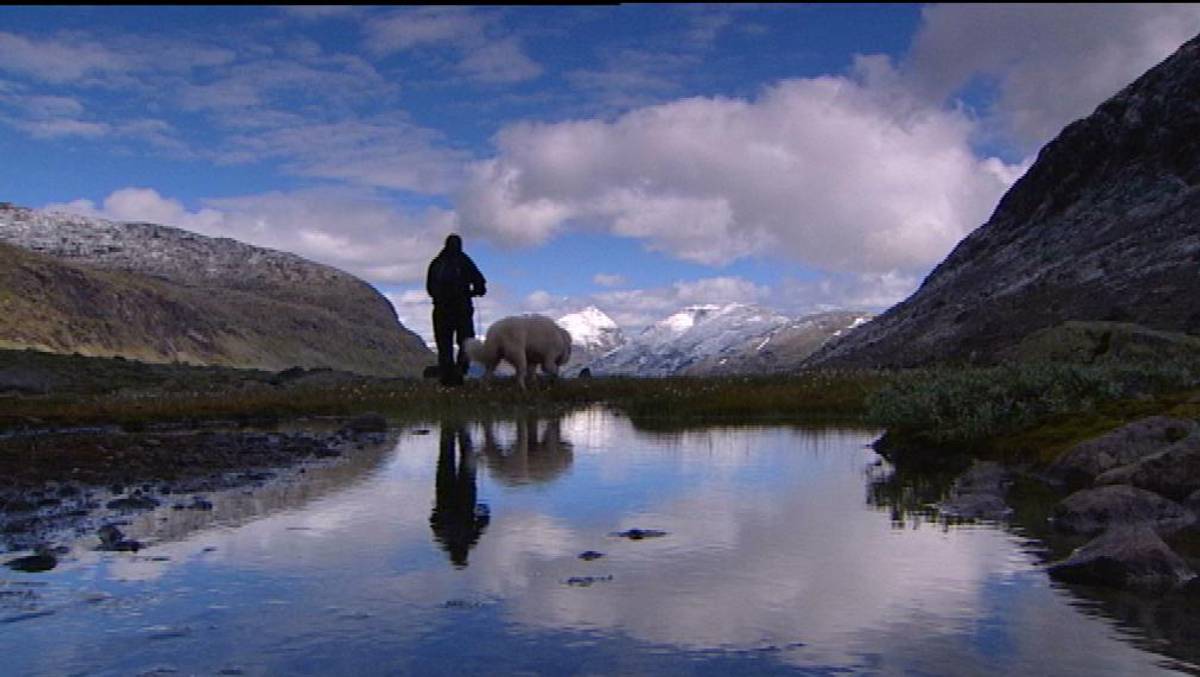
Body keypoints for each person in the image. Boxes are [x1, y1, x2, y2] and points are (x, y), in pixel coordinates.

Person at [426, 234, 486, 386]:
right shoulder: (464, 261)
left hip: (441, 310)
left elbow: (429, 287)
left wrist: (439, 299)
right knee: (466, 341)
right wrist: (474, 292)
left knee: (444, 343)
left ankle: (446, 376)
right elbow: (480, 282)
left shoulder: (437, 263)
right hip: (462, 308)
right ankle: (460, 371)